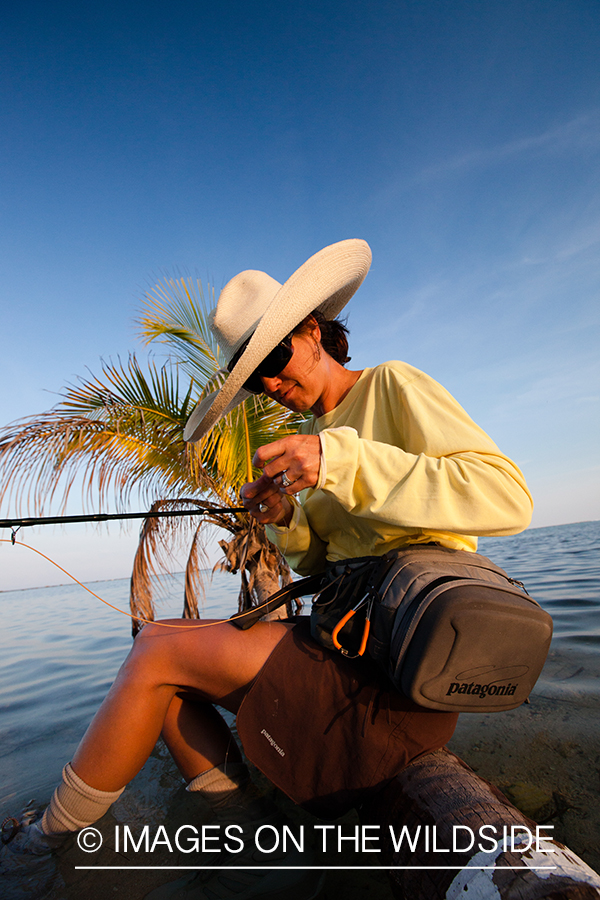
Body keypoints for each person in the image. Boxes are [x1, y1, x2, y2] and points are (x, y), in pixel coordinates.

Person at [1, 239, 533, 900]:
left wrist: (339, 464)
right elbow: (323, 561)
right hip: (345, 648)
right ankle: (245, 834)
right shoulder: (317, 438)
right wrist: (285, 516)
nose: (273, 386)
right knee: (167, 678)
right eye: (256, 380)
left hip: (396, 674)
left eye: (274, 361)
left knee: (156, 654)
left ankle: (37, 847)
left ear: (313, 332)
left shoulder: (390, 385)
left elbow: (506, 494)